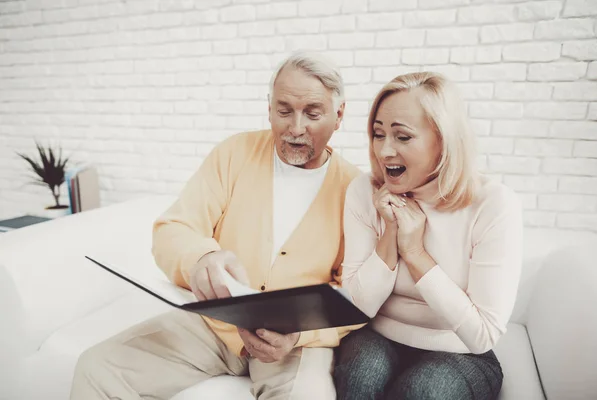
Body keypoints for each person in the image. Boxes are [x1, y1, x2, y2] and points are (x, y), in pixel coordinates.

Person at [70, 51, 361, 400]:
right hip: (214, 326)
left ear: (339, 114)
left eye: (312, 113)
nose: (296, 127)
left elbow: (357, 294)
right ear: (269, 107)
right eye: (284, 111)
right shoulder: (234, 152)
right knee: (97, 368)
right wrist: (201, 258)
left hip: (297, 340)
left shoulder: (355, 190)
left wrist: (300, 336)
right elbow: (173, 227)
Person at [334, 72, 522, 400]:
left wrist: (416, 252)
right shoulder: (365, 191)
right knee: (360, 376)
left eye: (402, 137)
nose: (384, 151)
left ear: (444, 139)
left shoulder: (492, 204)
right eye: (378, 135)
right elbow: (357, 309)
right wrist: (390, 230)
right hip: (377, 336)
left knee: (423, 392)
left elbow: (482, 335)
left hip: (461, 351)